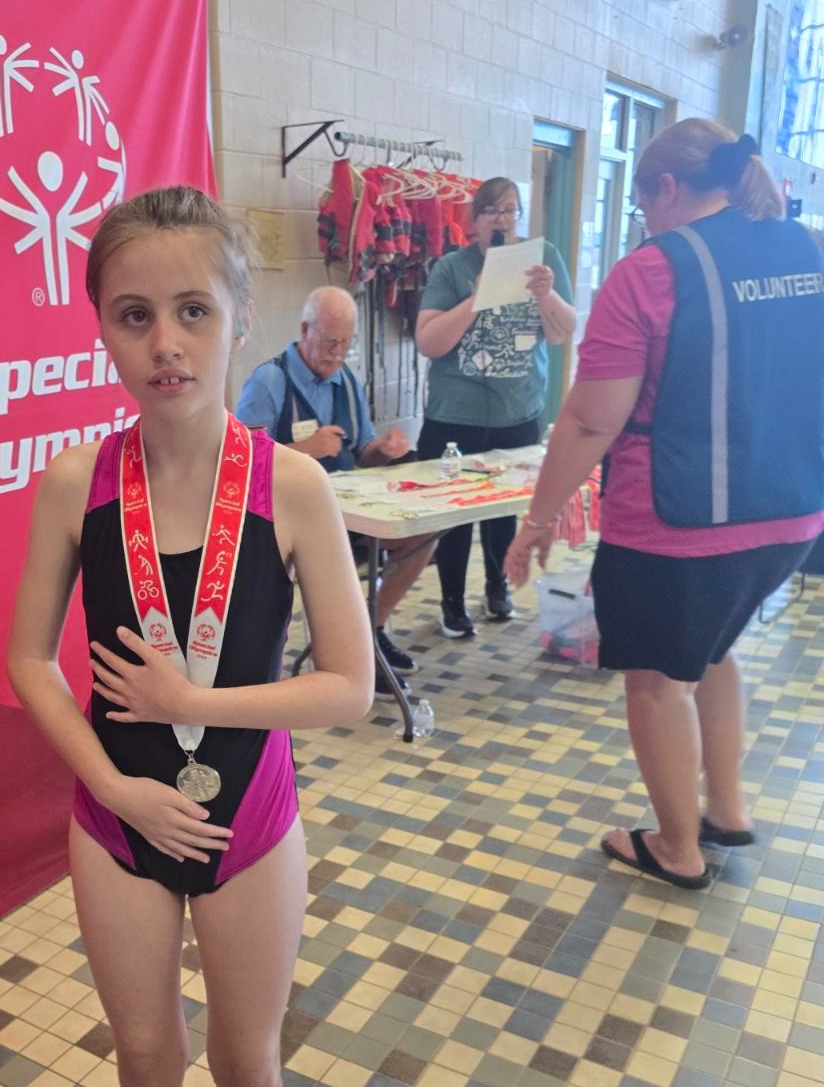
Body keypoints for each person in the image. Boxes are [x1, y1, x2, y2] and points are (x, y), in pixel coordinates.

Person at [7, 187, 372, 1087]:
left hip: (250, 817)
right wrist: (116, 786)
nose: (164, 342)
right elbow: (27, 661)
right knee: (146, 1056)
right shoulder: (75, 484)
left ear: (239, 317)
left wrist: (191, 702)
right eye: (133, 315)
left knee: (248, 1060)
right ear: (102, 328)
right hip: (115, 819)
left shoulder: (291, 486)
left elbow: (350, 686)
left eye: (191, 311)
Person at [506, 120, 824, 891]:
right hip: (789, 512)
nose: (644, 220)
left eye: (644, 203)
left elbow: (592, 419)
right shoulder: (805, 249)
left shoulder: (653, 269)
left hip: (679, 521)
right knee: (710, 653)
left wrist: (538, 520)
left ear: (668, 188)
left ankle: (677, 848)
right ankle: (728, 809)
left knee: (655, 681)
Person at [236, 286, 435, 696]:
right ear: (304, 330)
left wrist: (384, 449)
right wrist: (305, 449)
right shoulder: (270, 380)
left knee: (423, 533)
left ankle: (371, 633)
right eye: (329, 341)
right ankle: (351, 654)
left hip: (346, 510)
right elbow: (240, 464)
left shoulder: (346, 380)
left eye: (346, 343)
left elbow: (363, 453)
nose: (337, 353)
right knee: (333, 558)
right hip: (289, 522)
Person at [415, 176, 575, 636]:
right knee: (454, 514)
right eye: (491, 212)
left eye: (509, 211)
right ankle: (451, 602)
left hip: (517, 411)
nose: (501, 220)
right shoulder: (452, 268)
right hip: (454, 415)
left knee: (503, 508)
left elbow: (563, 332)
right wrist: (477, 297)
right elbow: (429, 342)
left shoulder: (544, 260)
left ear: (519, 217)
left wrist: (547, 294)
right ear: (475, 221)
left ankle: (497, 587)